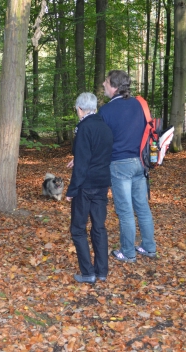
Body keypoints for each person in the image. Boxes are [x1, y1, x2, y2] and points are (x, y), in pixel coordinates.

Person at [98, 70, 156, 262]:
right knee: (142, 207)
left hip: (119, 165)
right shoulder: (139, 104)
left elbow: (102, 141)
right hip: (140, 162)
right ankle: (149, 247)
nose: (103, 85)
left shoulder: (105, 111)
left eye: (106, 82)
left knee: (125, 211)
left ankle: (128, 253)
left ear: (114, 86)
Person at [66, 92, 113, 283]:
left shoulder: (83, 128)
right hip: (102, 183)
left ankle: (88, 273)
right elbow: (98, 153)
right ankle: (102, 271)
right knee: (99, 227)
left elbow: (83, 165)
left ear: (79, 108)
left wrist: (72, 190)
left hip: (85, 186)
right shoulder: (105, 127)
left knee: (78, 228)